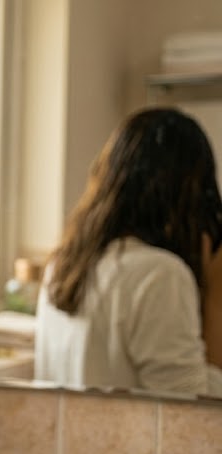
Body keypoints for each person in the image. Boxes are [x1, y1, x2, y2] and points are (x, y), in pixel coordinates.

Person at [35, 107, 222, 396]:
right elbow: (195, 411)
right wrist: (215, 298)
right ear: (189, 193)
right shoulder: (161, 274)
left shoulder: (64, 263)